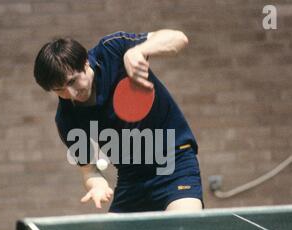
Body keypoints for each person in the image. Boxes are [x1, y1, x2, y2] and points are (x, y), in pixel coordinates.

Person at [34, 29, 203, 213]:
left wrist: (139, 50)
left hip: (174, 163)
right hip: (131, 179)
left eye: (73, 82)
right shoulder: (67, 119)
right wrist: (96, 185)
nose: (71, 94)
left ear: (86, 63)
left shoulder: (113, 50)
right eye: (60, 90)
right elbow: (88, 170)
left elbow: (179, 38)